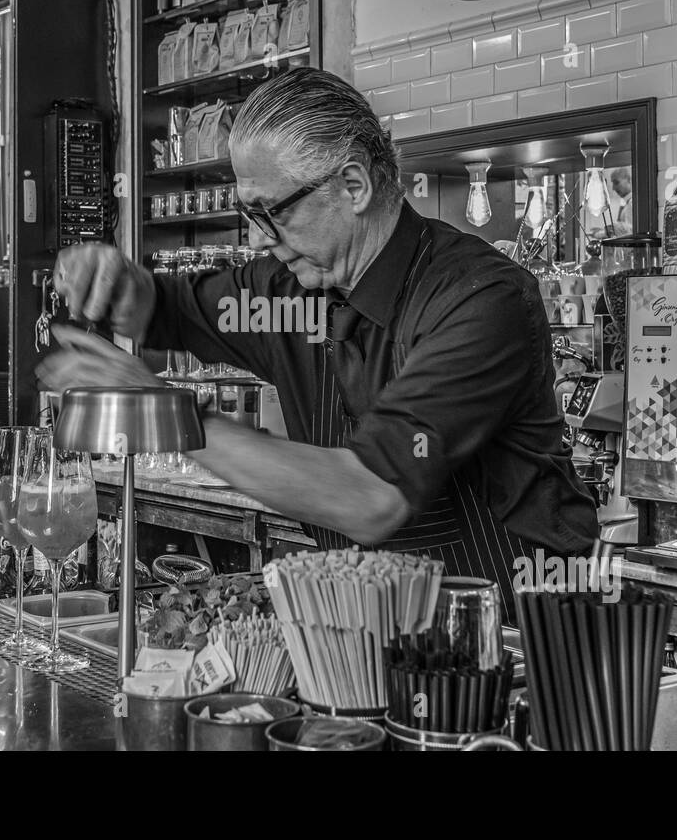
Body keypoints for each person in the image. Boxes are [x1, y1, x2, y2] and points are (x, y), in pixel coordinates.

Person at [40, 67, 597, 612]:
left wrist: (164, 413)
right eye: (249, 212)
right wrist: (108, 277)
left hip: (517, 639)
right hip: (372, 635)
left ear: (353, 185)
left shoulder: (479, 298)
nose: (264, 238)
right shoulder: (284, 293)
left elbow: (371, 497)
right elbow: (161, 308)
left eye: (274, 211)